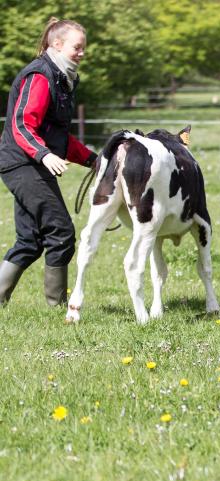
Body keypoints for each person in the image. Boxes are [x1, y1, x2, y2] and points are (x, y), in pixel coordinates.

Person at [0, 18, 97, 307]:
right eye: (77, 47)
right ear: (57, 44)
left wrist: (93, 159)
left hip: (32, 163)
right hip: (22, 163)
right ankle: (55, 308)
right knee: (61, 232)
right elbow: (22, 125)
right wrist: (45, 155)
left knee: (30, 240)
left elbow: (58, 137)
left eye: (83, 48)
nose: (82, 53)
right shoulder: (41, 75)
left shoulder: (61, 78)